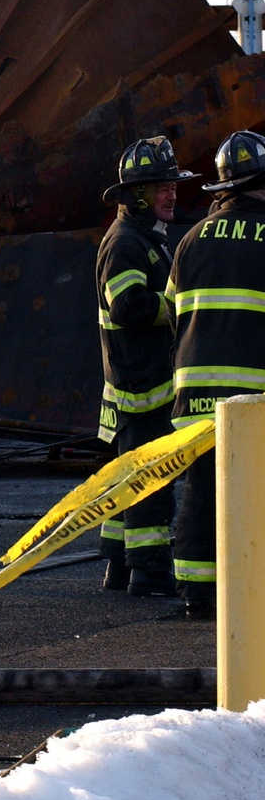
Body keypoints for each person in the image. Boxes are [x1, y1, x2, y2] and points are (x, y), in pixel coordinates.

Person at [166, 129, 265, 620]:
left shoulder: (188, 241)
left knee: (203, 489)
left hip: (194, 391)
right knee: (254, 490)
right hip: (251, 394)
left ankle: (195, 590)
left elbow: (168, 310)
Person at [96, 137, 197, 596]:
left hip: (138, 379)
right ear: (137, 195)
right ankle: (150, 572)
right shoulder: (124, 243)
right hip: (139, 384)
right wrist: (179, 305)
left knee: (127, 476)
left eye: (172, 185)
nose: (171, 194)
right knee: (148, 481)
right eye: (161, 187)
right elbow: (127, 306)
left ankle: (120, 568)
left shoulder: (143, 238)